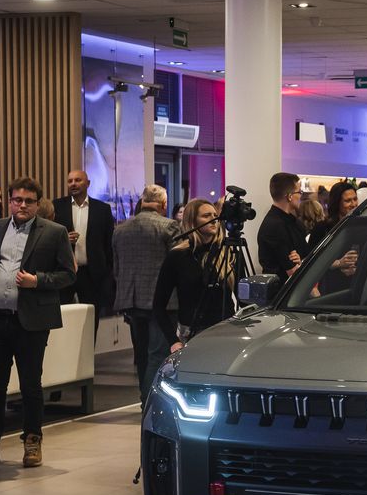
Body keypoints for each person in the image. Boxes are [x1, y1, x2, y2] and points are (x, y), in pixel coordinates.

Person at [0, 177, 76, 470]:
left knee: (30, 385)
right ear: (10, 201)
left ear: (38, 203)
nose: (22, 205)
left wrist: (37, 280)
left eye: (29, 201)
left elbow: (68, 274)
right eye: (17, 200)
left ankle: (32, 440)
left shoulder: (54, 232)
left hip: (31, 321)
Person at [113, 184, 179, 409]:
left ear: (142, 202)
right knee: (158, 353)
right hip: (163, 302)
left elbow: (116, 268)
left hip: (131, 301)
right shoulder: (169, 226)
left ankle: (144, 398)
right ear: (163, 204)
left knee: (140, 354)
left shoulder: (120, 229)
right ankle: (151, 403)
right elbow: (176, 267)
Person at [152, 199, 236, 354]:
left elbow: (243, 297)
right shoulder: (178, 256)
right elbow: (158, 305)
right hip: (192, 332)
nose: (213, 220)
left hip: (226, 330)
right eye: (206, 216)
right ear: (192, 220)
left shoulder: (227, 253)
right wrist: (173, 341)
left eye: (215, 215)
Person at [52, 169, 115, 336]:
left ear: (88, 183)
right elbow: (48, 238)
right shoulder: (56, 206)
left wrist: (107, 270)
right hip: (64, 271)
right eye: (70, 181)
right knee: (61, 315)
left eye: (77, 180)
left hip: (91, 273)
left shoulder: (102, 209)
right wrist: (63, 239)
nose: (73, 184)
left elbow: (109, 244)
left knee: (90, 318)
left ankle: (87, 358)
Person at [256, 172, 308, 277]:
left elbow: (306, 254)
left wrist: (301, 261)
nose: (301, 196)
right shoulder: (275, 226)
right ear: (289, 196)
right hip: (281, 291)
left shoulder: (293, 222)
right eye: (299, 192)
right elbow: (292, 271)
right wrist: (300, 262)